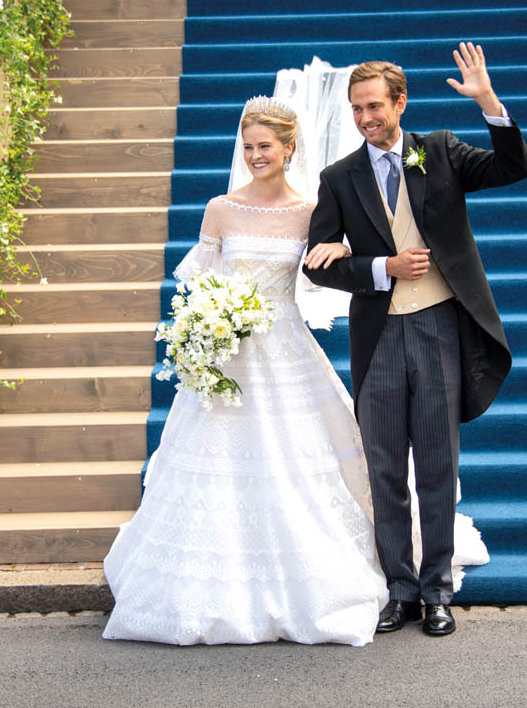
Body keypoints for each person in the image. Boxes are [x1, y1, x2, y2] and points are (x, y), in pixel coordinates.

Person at [103, 97, 389, 646]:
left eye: (266, 146)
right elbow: (200, 282)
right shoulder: (221, 208)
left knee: (294, 461)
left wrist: (340, 248)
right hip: (227, 352)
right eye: (249, 146)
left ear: (288, 148)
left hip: (284, 347)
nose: (256, 155)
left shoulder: (309, 211)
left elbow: (329, 267)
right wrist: (204, 326)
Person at [303, 43, 527, 637]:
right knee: (383, 469)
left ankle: (436, 592)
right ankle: (399, 590)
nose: (365, 118)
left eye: (374, 106)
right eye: (357, 108)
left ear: (400, 103)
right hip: (378, 336)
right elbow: (317, 264)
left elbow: (513, 168)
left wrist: (488, 101)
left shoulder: (441, 151)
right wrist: (380, 268)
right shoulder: (339, 177)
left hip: (437, 328)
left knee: (436, 465)